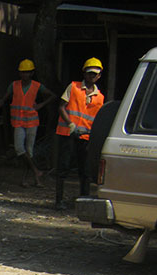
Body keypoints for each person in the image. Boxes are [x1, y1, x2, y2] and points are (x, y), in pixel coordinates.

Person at [0, 59, 56, 187]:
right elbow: (4, 99)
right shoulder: (14, 85)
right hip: (18, 122)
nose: (24, 75)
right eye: (22, 72)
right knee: (19, 149)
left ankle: (27, 179)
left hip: (32, 122)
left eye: (27, 72)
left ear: (31, 73)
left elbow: (52, 95)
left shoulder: (37, 86)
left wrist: (41, 105)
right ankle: (36, 171)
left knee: (29, 151)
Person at [54, 58, 104, 210]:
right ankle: (59, 201)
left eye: (95, 74)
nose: (92, 76)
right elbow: (61, 107)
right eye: (89, 73)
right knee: (63, 168)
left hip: (86, 136)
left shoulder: (100, 97)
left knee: (85, 171)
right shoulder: (73, 87)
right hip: (68, 133)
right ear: (84, 73)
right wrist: (70, 124)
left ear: (99, 76)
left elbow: (97, 119)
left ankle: (83, 201)